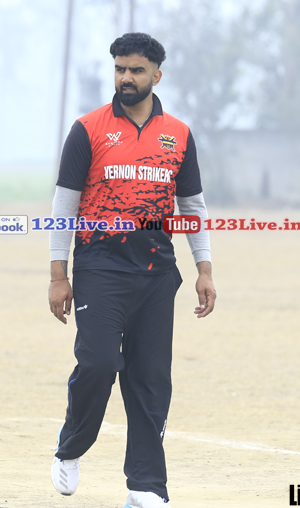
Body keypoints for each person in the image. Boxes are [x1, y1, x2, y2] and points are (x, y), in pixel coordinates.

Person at [48, 33, 216, 508]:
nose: (126, 77)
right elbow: (64, 206)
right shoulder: (88, 129)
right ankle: (71, 447)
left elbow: (193, 206)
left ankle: (146, 487)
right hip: (100, 268)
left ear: (156, 75)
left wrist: (204, 269)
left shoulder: (177, 134)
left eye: (136, 70)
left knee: (149, 380)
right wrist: (59, 275)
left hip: (157, 273)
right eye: (120, 69)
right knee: (99, 363)